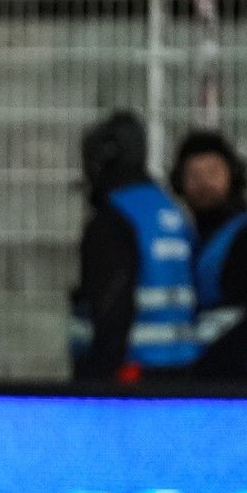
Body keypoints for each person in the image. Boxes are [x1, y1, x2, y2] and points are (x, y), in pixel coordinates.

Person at [69, 110, 197, 383]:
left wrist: (95, 380)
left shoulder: (114, 218)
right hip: (178, 369)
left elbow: (112, 306)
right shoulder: (171, 212)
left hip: (129, 374)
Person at [170, 129, 247, 382]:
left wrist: (210, 366)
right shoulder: (192, 239)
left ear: (233, 176)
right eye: (193, 175)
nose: (203, 183)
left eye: (212, 173)